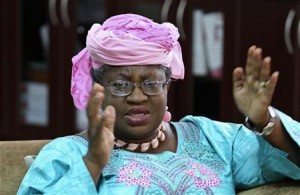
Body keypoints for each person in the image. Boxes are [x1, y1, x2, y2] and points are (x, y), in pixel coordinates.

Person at [18, 13, 300, 194]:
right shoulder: (65, 153)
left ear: (167, 85)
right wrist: (92, 163)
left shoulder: (211, 139)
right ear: (99, 89)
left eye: (151, 83)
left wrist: (265, 121)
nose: (137, 96)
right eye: (121, 83)